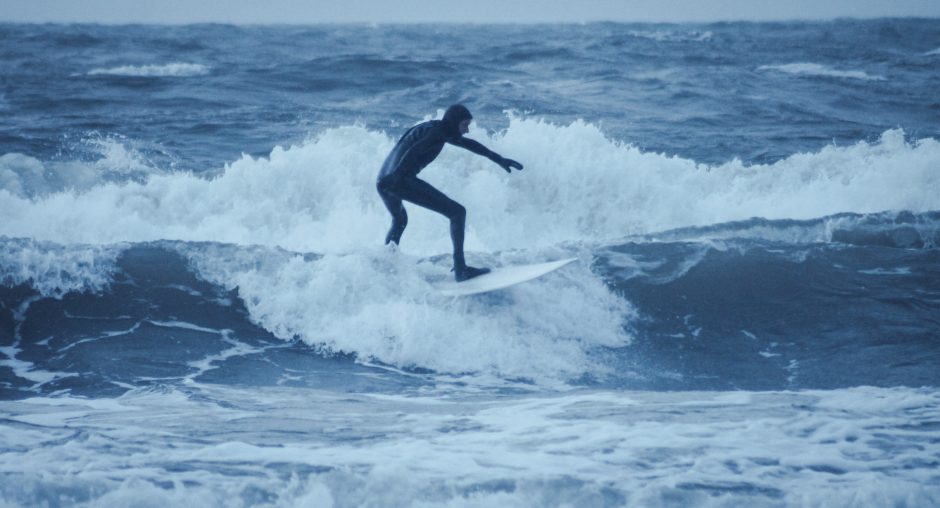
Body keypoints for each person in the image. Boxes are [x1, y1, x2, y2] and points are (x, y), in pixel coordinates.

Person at [377, 104, 523, 282]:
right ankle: (461, 270)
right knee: (457, 212)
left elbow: (469, 144)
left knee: (400, 220)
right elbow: (414, 151)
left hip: (382, 182)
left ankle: (387, 265)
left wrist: (499, 159)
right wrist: (398, 176)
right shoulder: (435, 134)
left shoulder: (437, 129)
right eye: (465, 125)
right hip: (397, 180)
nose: (467, 130)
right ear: (454, 123)